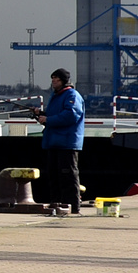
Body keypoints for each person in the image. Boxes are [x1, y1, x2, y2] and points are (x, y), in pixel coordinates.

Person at [32, 68, 86, 213]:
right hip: (54, 142)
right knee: (54, 176)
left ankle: (73, 208)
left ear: (63, 81)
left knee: (68, 177)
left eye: (56, 79)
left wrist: (48, 119)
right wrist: (41, 114)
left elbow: (70, 115)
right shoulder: (55, 96)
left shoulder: (72, 95)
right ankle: (57, 205)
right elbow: (55, 115)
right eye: (52, 79)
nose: (53, 81)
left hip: (67, 143)